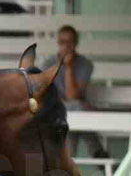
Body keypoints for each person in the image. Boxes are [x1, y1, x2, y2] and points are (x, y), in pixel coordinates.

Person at [39, 25, 108, 158]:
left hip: (68, 113)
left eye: (70, 42)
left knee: (72, 112)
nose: (66, 46)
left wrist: (69, 67)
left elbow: (72, 95)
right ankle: (96, 150)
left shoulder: (86, 64)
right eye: (62, 42)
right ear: (58, 43)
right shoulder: (47, 64)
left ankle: (69, 161)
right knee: (76, 108)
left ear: (76, 43)